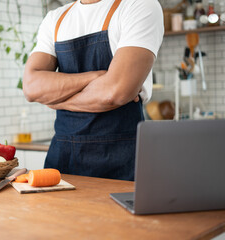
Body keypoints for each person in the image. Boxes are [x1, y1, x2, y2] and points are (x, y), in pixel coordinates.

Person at [23, 0, 164, 181]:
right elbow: (31, 87)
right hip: (62, 160)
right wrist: (96, 77)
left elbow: (114, 93)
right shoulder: (55, 19)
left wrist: (58, 101)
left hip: (122, 161)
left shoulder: (139, 6)